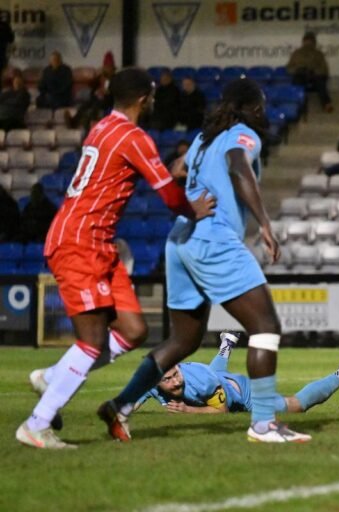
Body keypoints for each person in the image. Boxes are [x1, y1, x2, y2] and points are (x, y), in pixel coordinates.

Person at [98, 78, 323, 444]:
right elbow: (238, 166)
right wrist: (264, 223)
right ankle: (264, 424)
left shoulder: (203, 138)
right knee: (265, 328)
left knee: (183, 341)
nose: (263, 112)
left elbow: (174, 169)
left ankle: (121, 405)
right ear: (250, 108)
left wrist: (192, 193)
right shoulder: (243, 135)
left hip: (180, 240)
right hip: (214, 239)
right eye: (260, 106)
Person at [16, 68, 216, 450]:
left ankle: (53, 376)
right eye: (153, 95)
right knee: (91, 342)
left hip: (97, 242)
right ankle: (36, 425)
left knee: (133, 330)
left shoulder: (102, 126)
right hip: (81, 241)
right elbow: (169, 197)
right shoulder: (133, 136)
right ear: (144, 97)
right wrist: (195, 209)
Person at [134, 332, 339, 415]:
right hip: (216, 379)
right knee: (214, 374)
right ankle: (227, 342)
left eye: (176, 374)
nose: (175, 380)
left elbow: (221, 410)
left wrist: (188, 410)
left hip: (242, 392)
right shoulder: (151, 380)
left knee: (295, 406)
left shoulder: (199, 381)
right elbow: (131, 402)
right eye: (168, 379)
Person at [286, 32, 333, 112]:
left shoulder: (319, 54)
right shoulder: (296, 53)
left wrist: (314, 72)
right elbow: (289, 68)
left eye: (310, 41)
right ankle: (298, 105)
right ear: (303, 42)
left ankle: (326, 104)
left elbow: (324, 69)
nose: (308, 43)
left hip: (315, 77)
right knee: (297, 81)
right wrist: (297, 70)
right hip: (300, 75)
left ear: (314, 43)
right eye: (307, 41)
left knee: (321, 83)